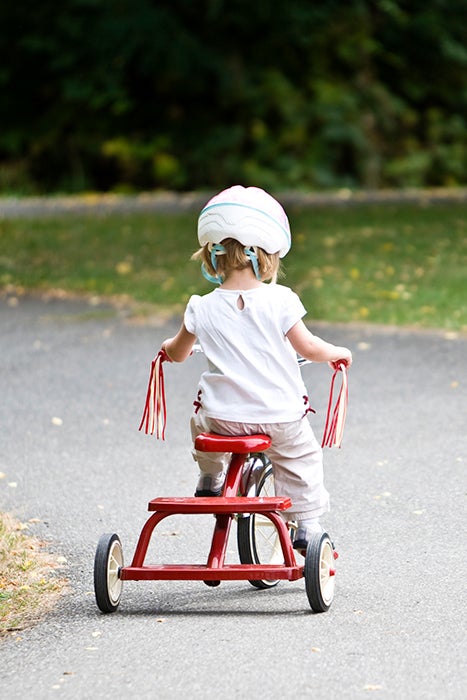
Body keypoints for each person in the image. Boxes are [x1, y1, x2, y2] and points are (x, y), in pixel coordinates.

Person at [161, 185, 352, 549]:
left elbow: (179, 352)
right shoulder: (281, 300)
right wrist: (337, 352)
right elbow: (309, 348)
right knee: (301, 456)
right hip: (279, 417)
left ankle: (210, 477)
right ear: (265, 256)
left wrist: (167, 350)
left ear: (211, 256)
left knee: (199, 423)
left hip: (223, 420)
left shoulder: (200, 307)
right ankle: (307, 524)